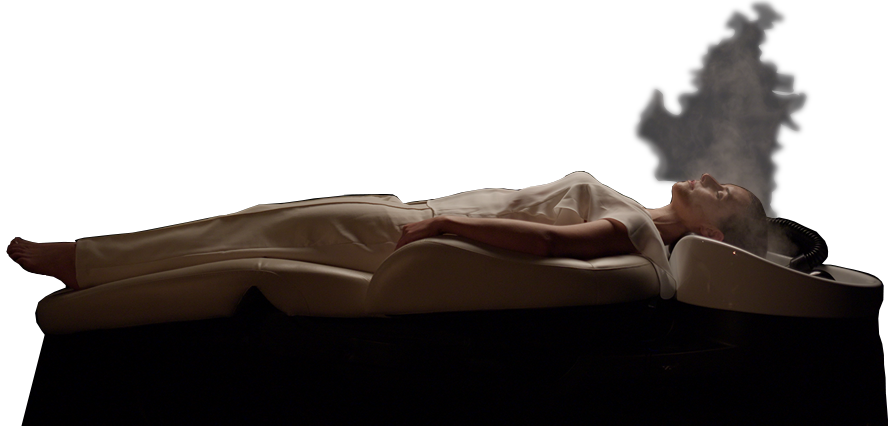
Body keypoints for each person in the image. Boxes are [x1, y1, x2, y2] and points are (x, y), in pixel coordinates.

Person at [7, 172, 752, 292]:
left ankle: (81, 262)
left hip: (415, 226)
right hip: (407, 213)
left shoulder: (633, 228)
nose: (709, 177)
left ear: (714, 237)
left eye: (722, 193)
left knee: (239, 234)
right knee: (245, 226)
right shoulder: (631, 211)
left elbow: (550, 245)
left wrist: (445, 221)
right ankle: (89, 263)